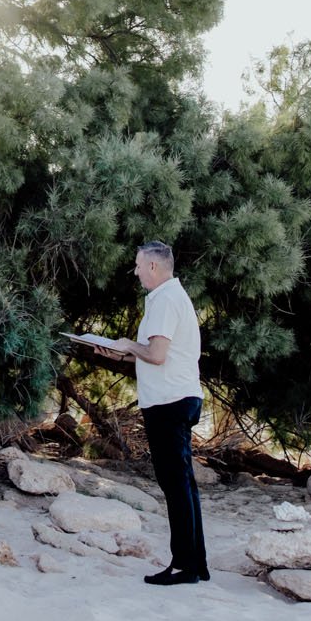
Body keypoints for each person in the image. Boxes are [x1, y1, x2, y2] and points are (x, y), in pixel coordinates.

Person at [104, 240, 209, 586]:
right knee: (184, 483)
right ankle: (196, 563)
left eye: (137, 265)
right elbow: (156, 353)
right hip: (180, 396)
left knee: (175, 485)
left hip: (169, 401)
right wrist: (122, 354)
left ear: (153, 266)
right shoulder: (172, 298)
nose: (134, 271)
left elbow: (159, 354)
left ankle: (184, 566)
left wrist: (128, 345)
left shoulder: (164, 299)